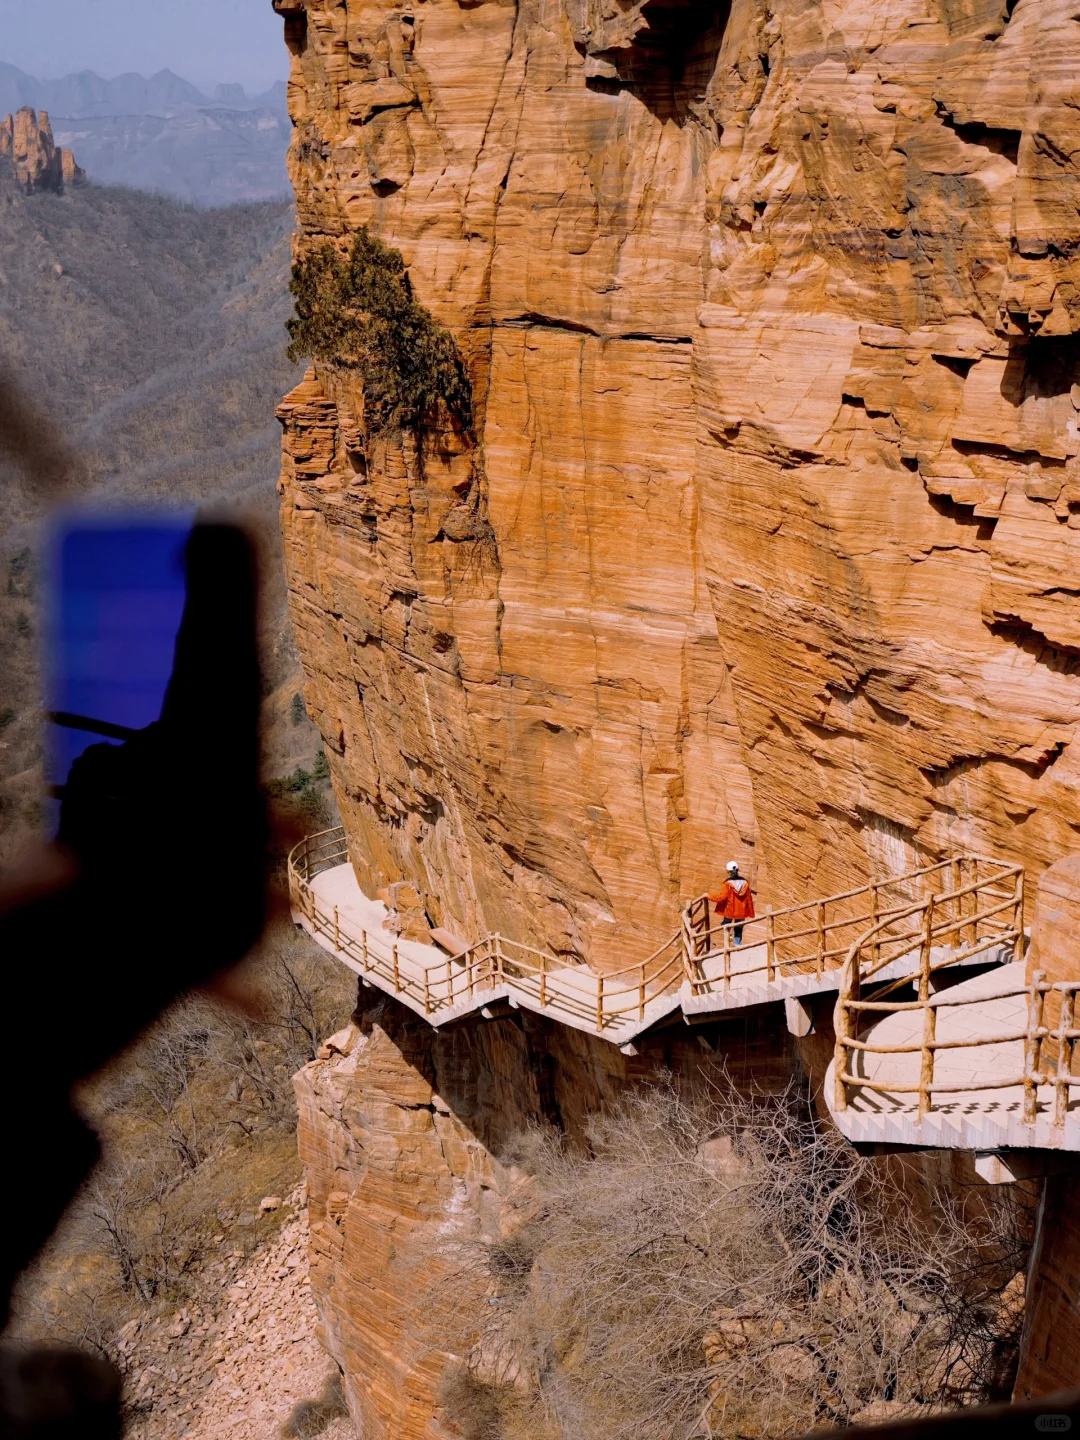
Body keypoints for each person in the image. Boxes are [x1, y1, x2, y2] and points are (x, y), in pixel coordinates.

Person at [709, 861, 755, 946]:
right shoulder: (745, 882)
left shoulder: (727, 883)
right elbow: (749, 897)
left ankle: (728, 943)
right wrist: (750, 911)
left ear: (728, 872)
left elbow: (721, 897)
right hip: (741, 910)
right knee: (738, 928)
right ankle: (737, 945)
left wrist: (708, 896)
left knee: (726, 924)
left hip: (730, 910)